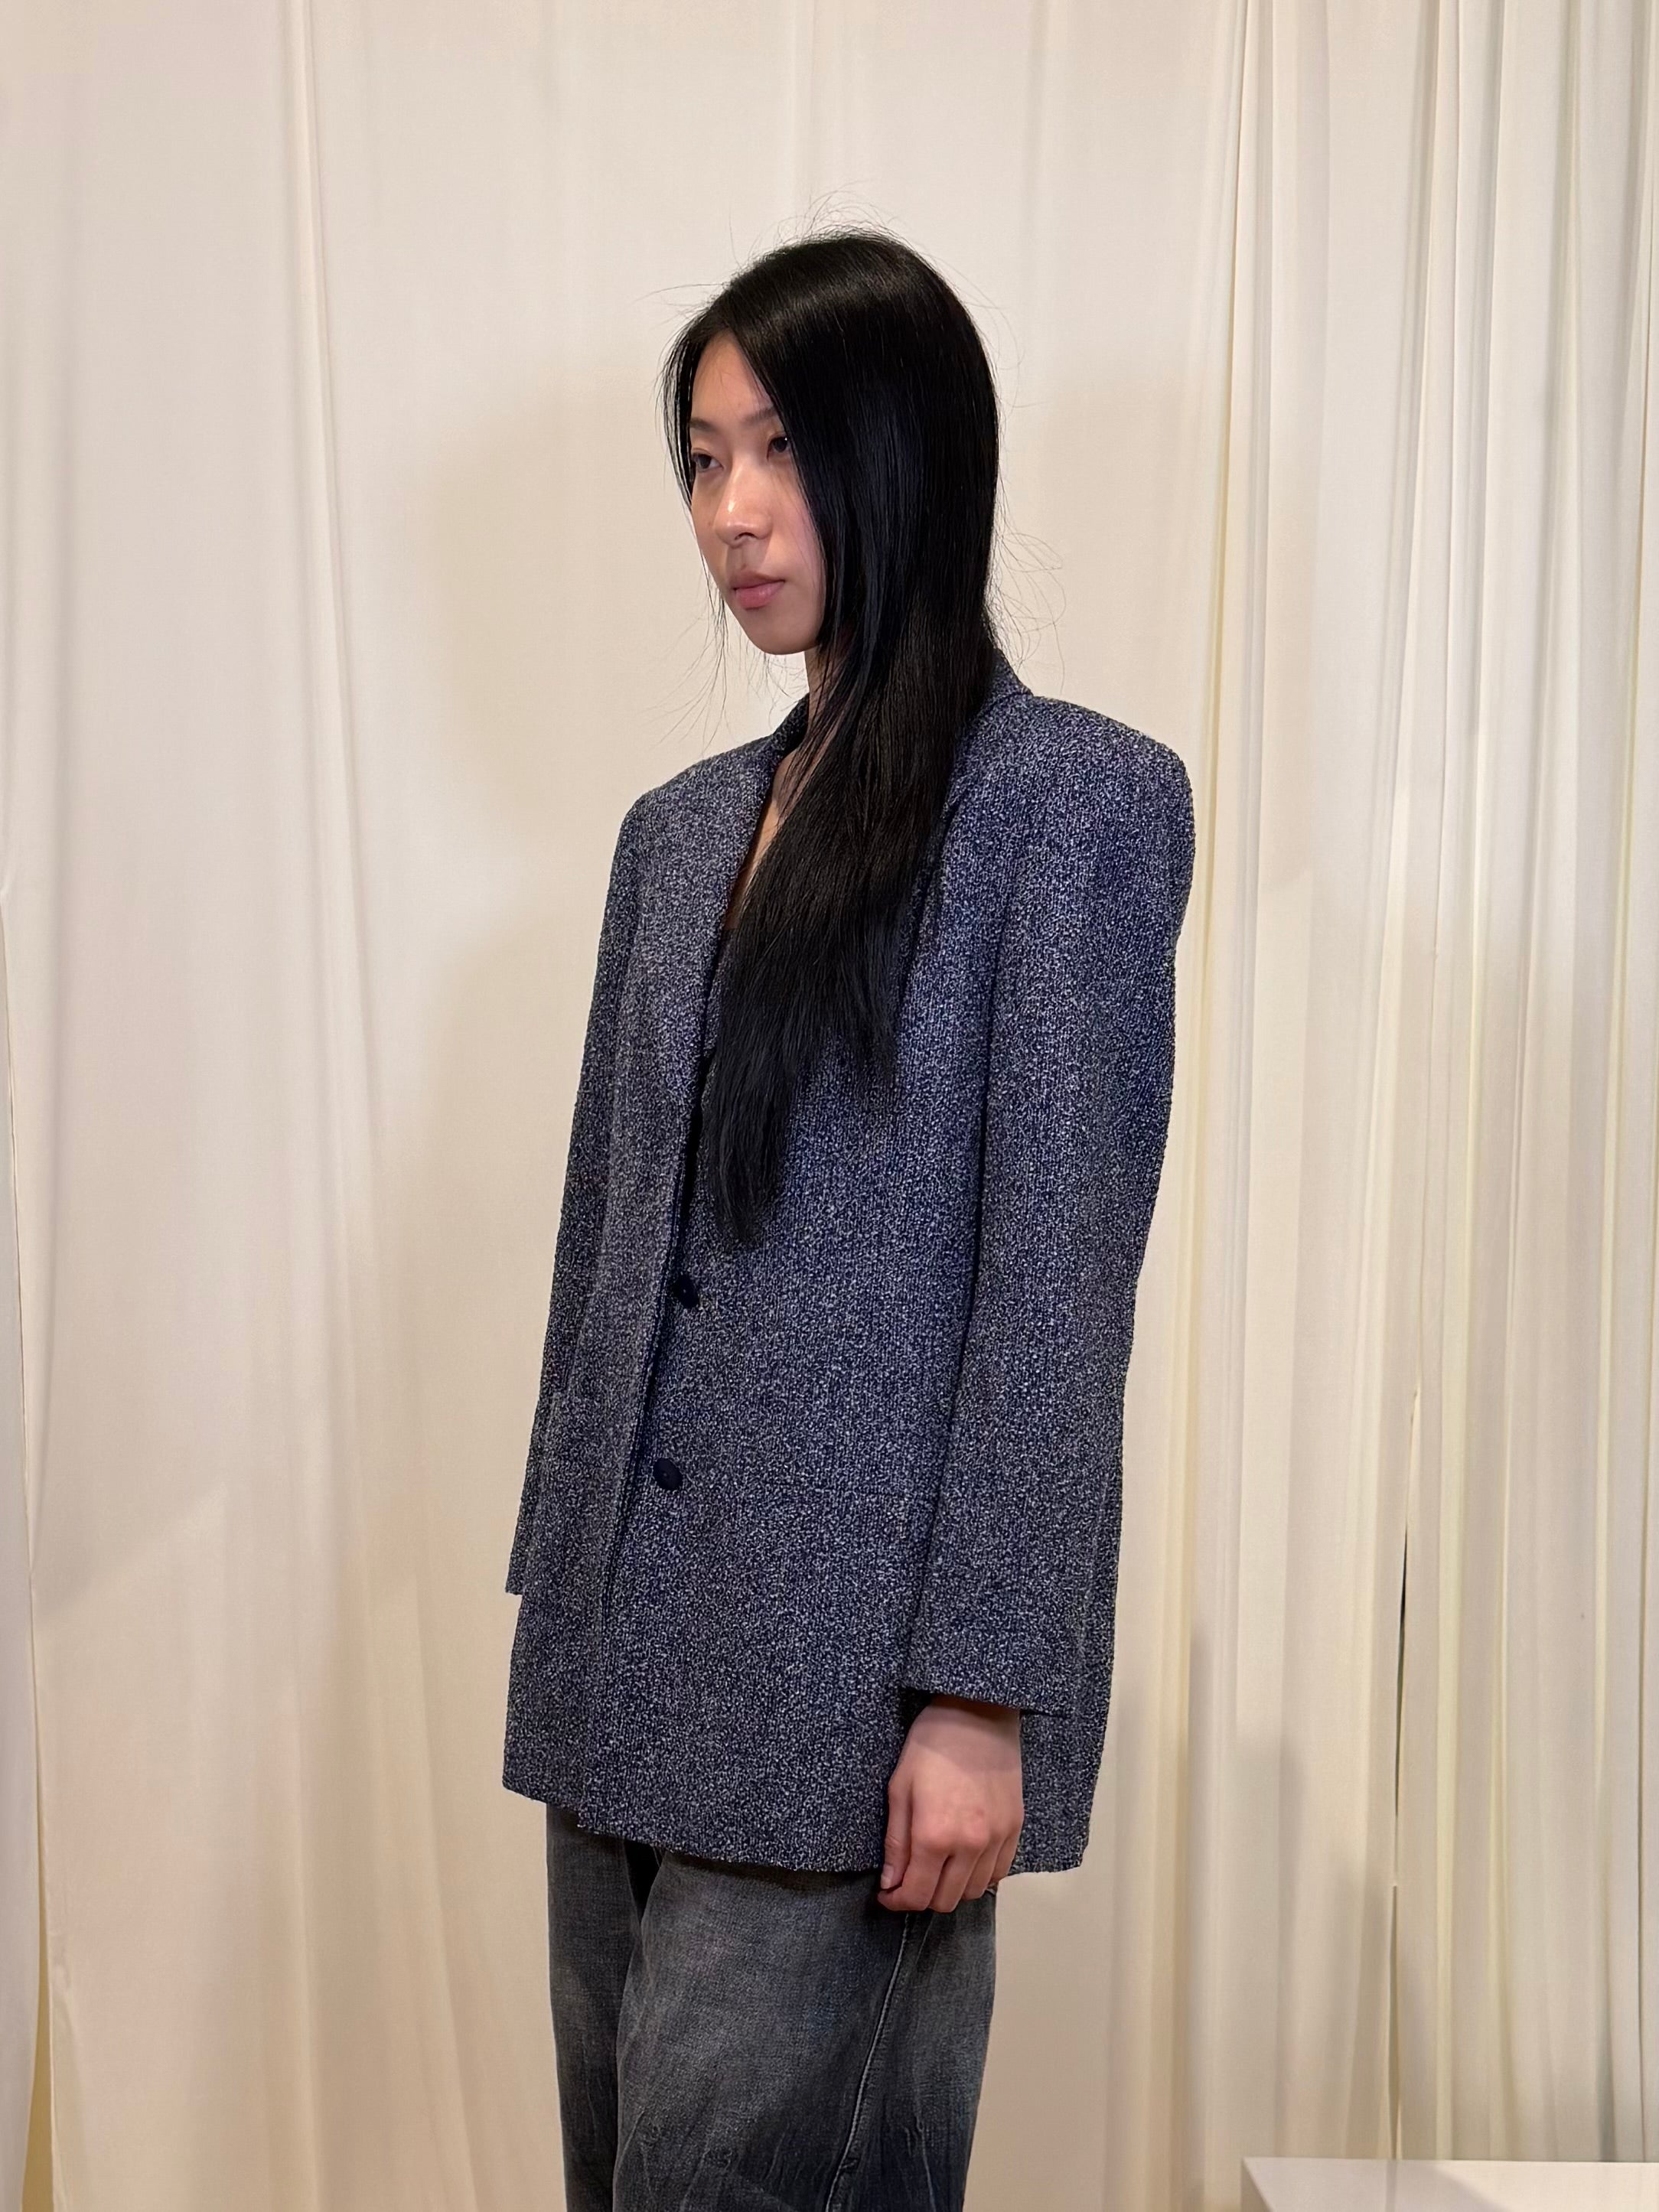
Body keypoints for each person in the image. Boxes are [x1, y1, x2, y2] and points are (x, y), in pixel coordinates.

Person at [502, 226, 1196, 2210]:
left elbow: (1057, 1286)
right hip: (618, 1669)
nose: (731, 510)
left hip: (854, 1704)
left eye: (781, 448)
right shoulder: (675, 836)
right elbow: (608, 1243)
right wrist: (559, 1593)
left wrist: (985, 1697)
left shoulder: (1067, 805)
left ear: (911, 452)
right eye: (702, 458)